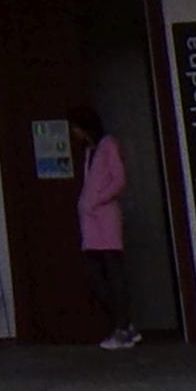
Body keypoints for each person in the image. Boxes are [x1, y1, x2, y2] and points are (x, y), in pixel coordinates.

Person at [70, 110, 140, 349]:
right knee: (97, 275)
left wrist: (98, 200)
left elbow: (118, 179)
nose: (75, 133)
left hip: (105, 219)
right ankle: (124, 324)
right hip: (91, 221)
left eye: (76, 128)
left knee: (112, 272)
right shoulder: (90, 152)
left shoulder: (108, 145)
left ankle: (123, 328)